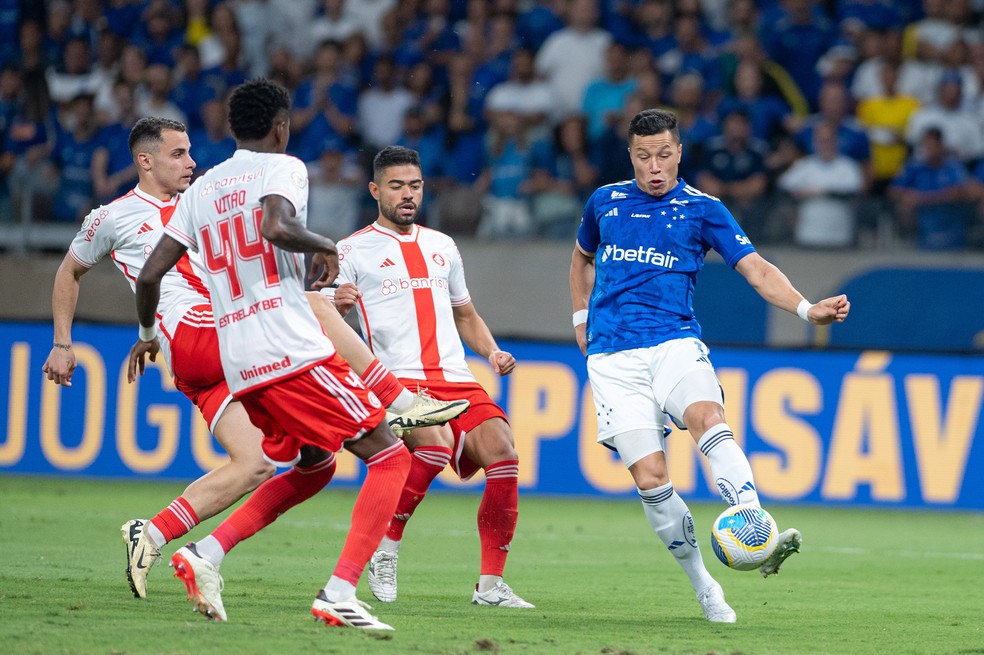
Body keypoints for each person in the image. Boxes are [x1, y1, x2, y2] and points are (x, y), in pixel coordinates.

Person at [41, 116, 465, 606]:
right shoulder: (111, 217)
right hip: (200, 334)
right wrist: (63, 343)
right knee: (317, 312)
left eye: (190, 151)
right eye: (178, 153)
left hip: (216, 350)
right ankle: (394, 401)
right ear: (145, 160)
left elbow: (248, 276)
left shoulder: (203, 202)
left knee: (281, 463)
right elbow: (70, 271)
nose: (191, 161)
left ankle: (155, 535)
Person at [127, 79, 412, 630]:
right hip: (288, 349)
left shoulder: (202, 190)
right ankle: (339, 591)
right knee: (391, 456)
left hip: (238, 362)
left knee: (316, 464)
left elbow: (150, 274)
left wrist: (146, 330)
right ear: (280, 125)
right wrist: (326, 244)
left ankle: (203, 554)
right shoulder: (284, 167)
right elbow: (276, 226)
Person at [569, 108, 850, 623]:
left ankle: (749, 520)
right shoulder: (603, 201)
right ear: (631, 156)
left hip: (675, 341)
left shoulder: (704, 210)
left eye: (664, 154)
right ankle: (705, 585)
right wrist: (581, 319)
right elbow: (582, 257)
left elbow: (757, 270)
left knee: (707, 419)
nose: (654, 166)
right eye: (643, 156)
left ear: (680, 152)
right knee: (652, 480)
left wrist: (808, 309)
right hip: (612, 357)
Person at [331, 145, 534, 609]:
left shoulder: (442, 246)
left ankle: (490, 585)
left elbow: (466, 315)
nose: (408, 195)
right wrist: (338, 302)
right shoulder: (351, 250)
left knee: (503, 452)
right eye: (397, 186)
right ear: (375, 190)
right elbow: (324, 317)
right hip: (398, 381)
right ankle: (388, 544)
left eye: (415, 185)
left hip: (455, 377)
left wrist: (493, 349)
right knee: (437, 444)